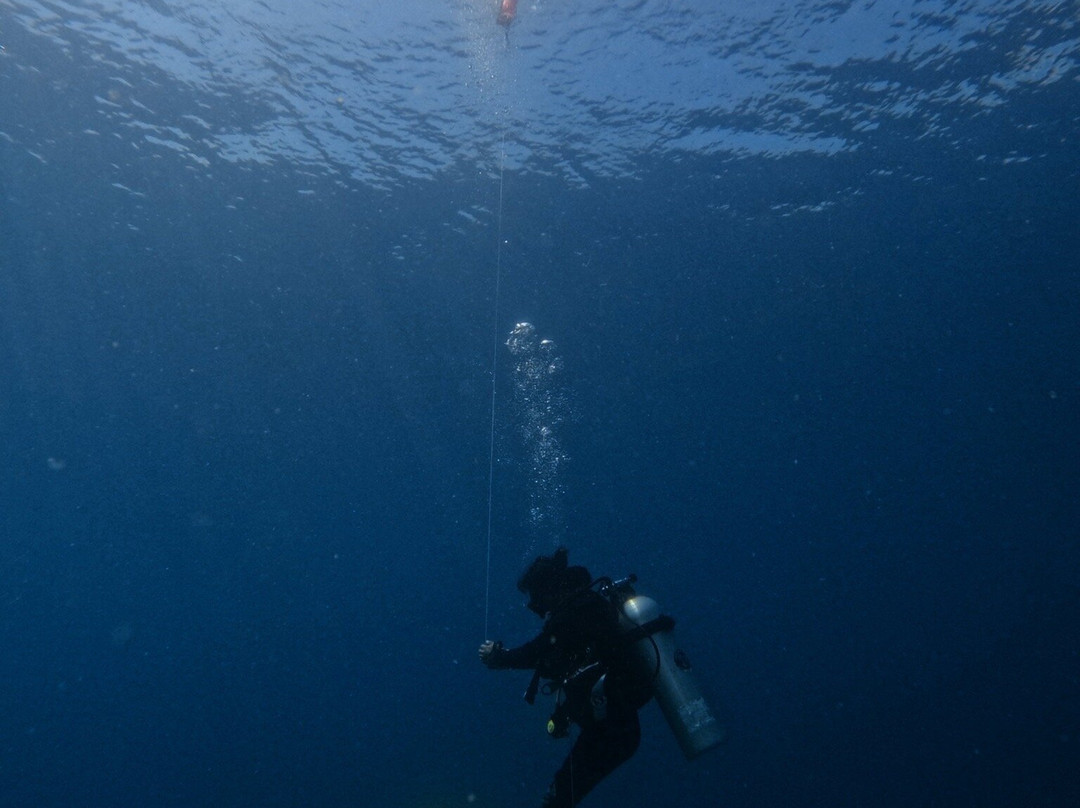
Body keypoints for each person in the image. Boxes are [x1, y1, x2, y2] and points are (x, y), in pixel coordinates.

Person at [479, 547, 652, 808]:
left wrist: (499, 658)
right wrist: (565, 714)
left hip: (612, 729)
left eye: (534, 594)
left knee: (559, 797)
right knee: (562, 794)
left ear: (547, 588)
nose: (533, 604)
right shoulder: (583, 609)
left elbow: (537, 653)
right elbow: (573, 667)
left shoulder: (574, 612)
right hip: (614, 725)